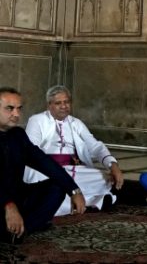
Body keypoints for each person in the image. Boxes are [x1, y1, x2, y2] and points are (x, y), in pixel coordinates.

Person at [1, 87, 86, 244]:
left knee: (58, 186)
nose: (16, 114)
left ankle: (22, 230)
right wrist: (8, 205)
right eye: (10, 108)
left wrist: (74, 190)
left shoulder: (18, 135)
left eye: (19, 108)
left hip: (17, 196)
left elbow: (44, 162)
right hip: (4, 201)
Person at [24, 85, 123, 216]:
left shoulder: (76, 123)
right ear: (49, 105)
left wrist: (112, 164)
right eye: (58, 103)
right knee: (43, 180)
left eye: (66, 102)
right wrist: (52, 168)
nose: (63, 106)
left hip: (72, 170)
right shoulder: (37, 120)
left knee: (104, 178)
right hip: (47, 170)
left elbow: (95, 146)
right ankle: (91, 201)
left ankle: (80, 202)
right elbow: (32, 150)